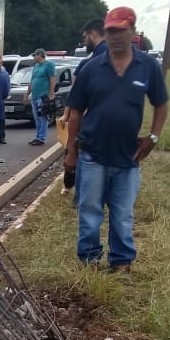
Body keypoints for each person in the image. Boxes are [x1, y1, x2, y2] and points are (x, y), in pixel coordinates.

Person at [64, 6, 168, 274]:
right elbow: (75, 114)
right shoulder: (91, 68)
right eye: (111, 31)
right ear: (105, 33)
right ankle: (89, 262)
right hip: (92, 154)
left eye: (121, 30)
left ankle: (121, 262)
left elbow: (161, 103)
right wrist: (71, 152)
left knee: (122, 215)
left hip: (127, 157)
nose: (116, 36)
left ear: (132, 31)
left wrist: (154, 136)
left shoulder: (148, 67)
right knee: (89, 212)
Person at [61, 17, 107, 205]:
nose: (84, 40)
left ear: (93, 33)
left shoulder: (91, 63)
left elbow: (77, 100)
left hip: (91, 125)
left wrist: (71, 146)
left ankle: (81, 198)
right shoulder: (118, 57)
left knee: (85, 163)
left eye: (85, 36)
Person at [24, 48, 56, 145]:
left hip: (43, 95)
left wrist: (50, 93)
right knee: (36, 117)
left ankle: (41, 138)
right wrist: (27, 94)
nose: (34, 57)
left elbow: (52, 79)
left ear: (40, 55)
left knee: (42, 117)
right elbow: (32, 81)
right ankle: (38, 136)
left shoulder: (49, 65)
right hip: (35, 95)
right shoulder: (36, 66)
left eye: (35, 55)